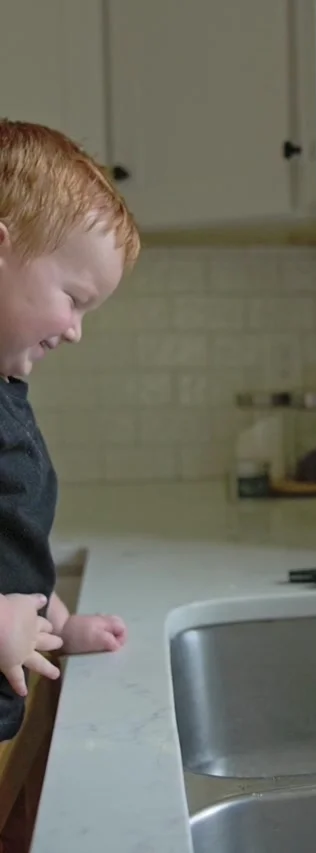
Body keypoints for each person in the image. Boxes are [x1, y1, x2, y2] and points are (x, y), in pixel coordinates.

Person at [0, 119, 141, 744]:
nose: (77, 329)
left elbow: (14, 554)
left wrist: (61, 624)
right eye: (75, 298)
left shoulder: (8, 396)